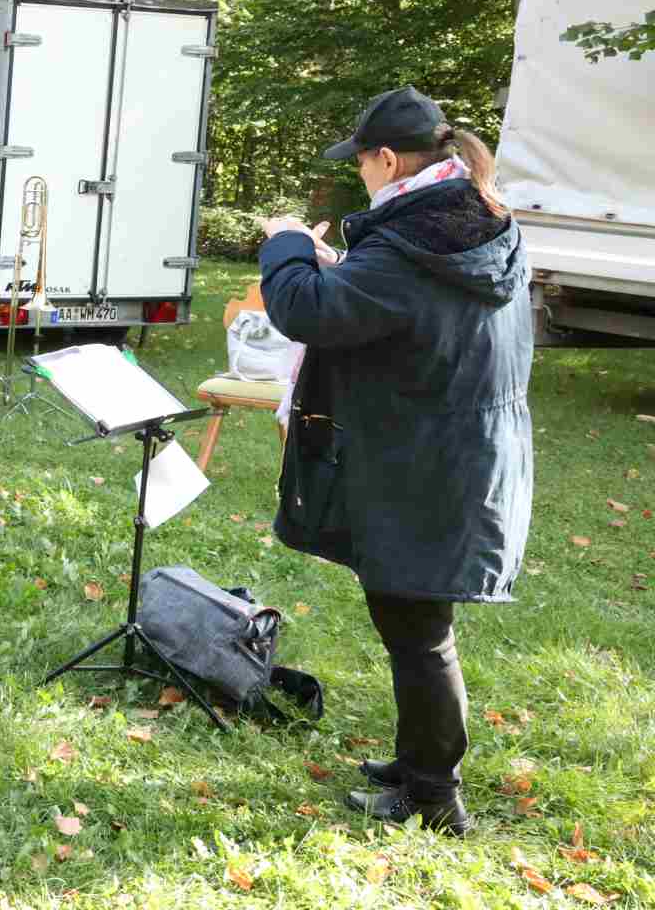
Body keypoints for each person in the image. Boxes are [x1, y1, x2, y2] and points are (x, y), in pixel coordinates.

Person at [259, 85, 533, 837]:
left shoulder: (412, 243)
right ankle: (417, 762)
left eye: (361, 162)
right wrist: (337, 265)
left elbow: (308, 310)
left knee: (419, 632)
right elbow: (392, 305)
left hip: (431, 464)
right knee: (413, 622)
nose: (360, 175)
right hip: (454, 453)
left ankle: (435, 796)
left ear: (386, 159)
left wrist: (285, 243)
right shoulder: (474, 221)